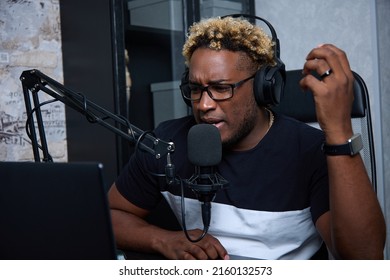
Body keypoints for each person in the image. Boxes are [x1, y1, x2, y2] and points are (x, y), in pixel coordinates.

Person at [108, 16, 386, 260]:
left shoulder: (311, 151)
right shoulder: (166, 144)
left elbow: (363, 258)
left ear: (263, 87)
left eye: (221, 88)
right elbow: (110, 216)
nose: (204, 104)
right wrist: (164, 240)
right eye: (195, 89)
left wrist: (339, 131)